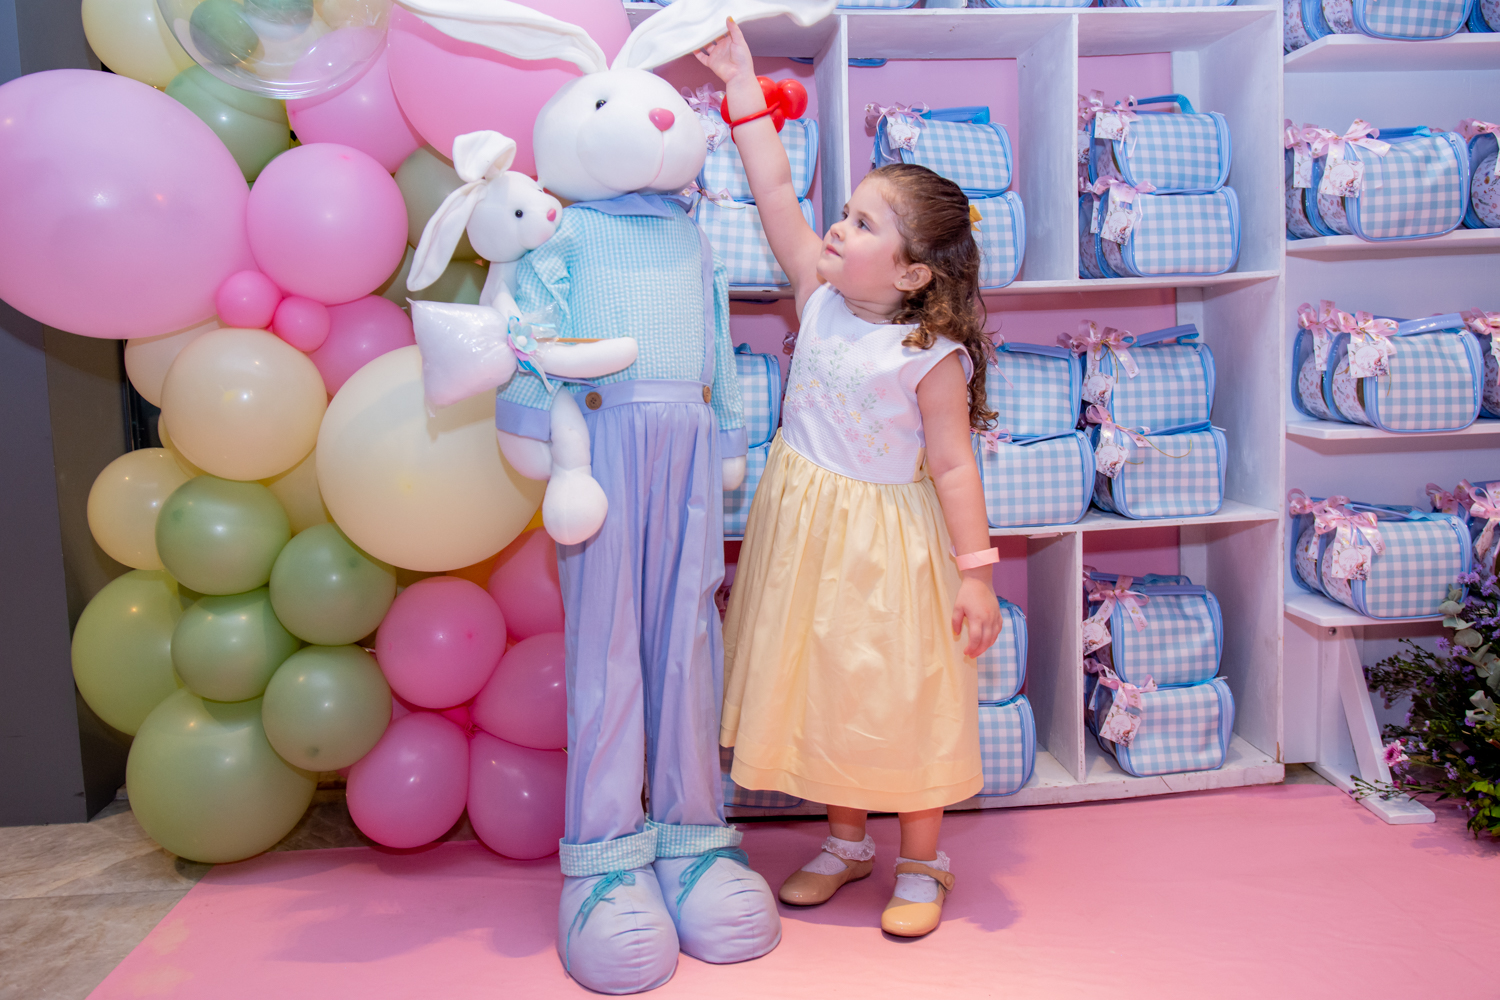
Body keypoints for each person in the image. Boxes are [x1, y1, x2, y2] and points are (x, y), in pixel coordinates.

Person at [697, 19, 1004, 939]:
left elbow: (953, 464)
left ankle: (921, 858)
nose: (837, 225)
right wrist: (743, 85)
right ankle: (845, 841)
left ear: (911, 274)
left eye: (863, 224)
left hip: (887, 550)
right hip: (805, 531)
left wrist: (978, 574)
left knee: (896, 694)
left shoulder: (929, 354)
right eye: (847, 210)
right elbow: (774, 186)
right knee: (828, 687)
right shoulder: (818, 292)